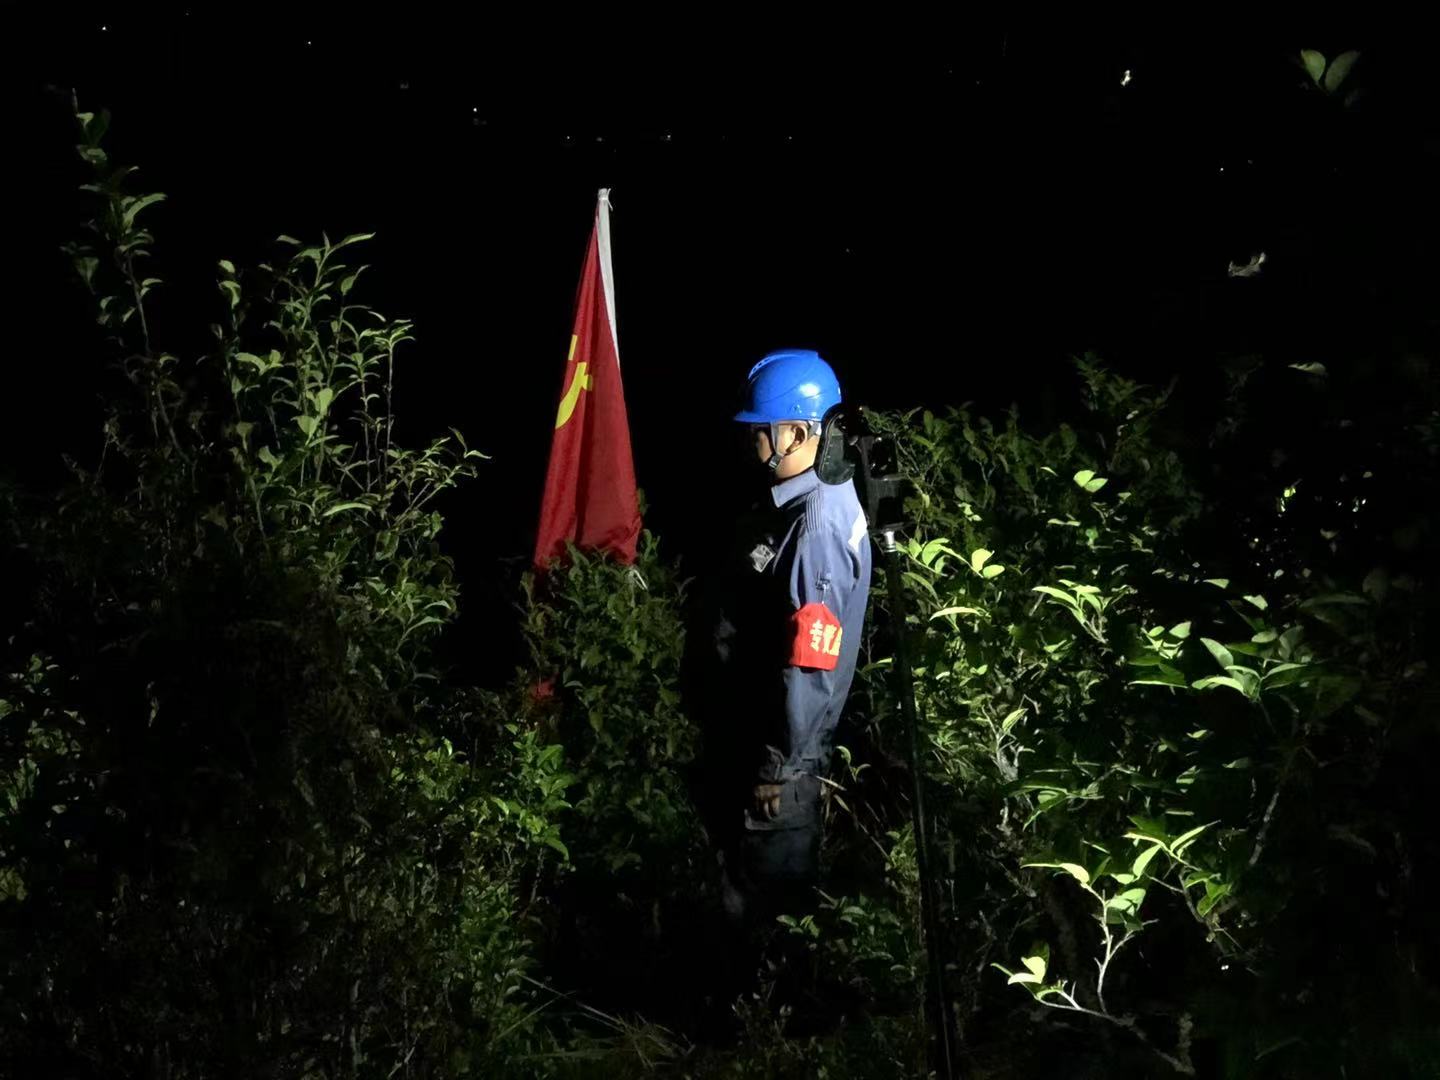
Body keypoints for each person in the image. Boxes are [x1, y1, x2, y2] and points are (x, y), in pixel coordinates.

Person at [691, 349, 873, 935]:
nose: (752, 442)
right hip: (769, 747)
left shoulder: (816, 525)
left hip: (783, 772)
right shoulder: (805, 504)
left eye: (760, 430)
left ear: (795, 432)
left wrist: (780, 765)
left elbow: (810, 663)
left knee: (767, 920)